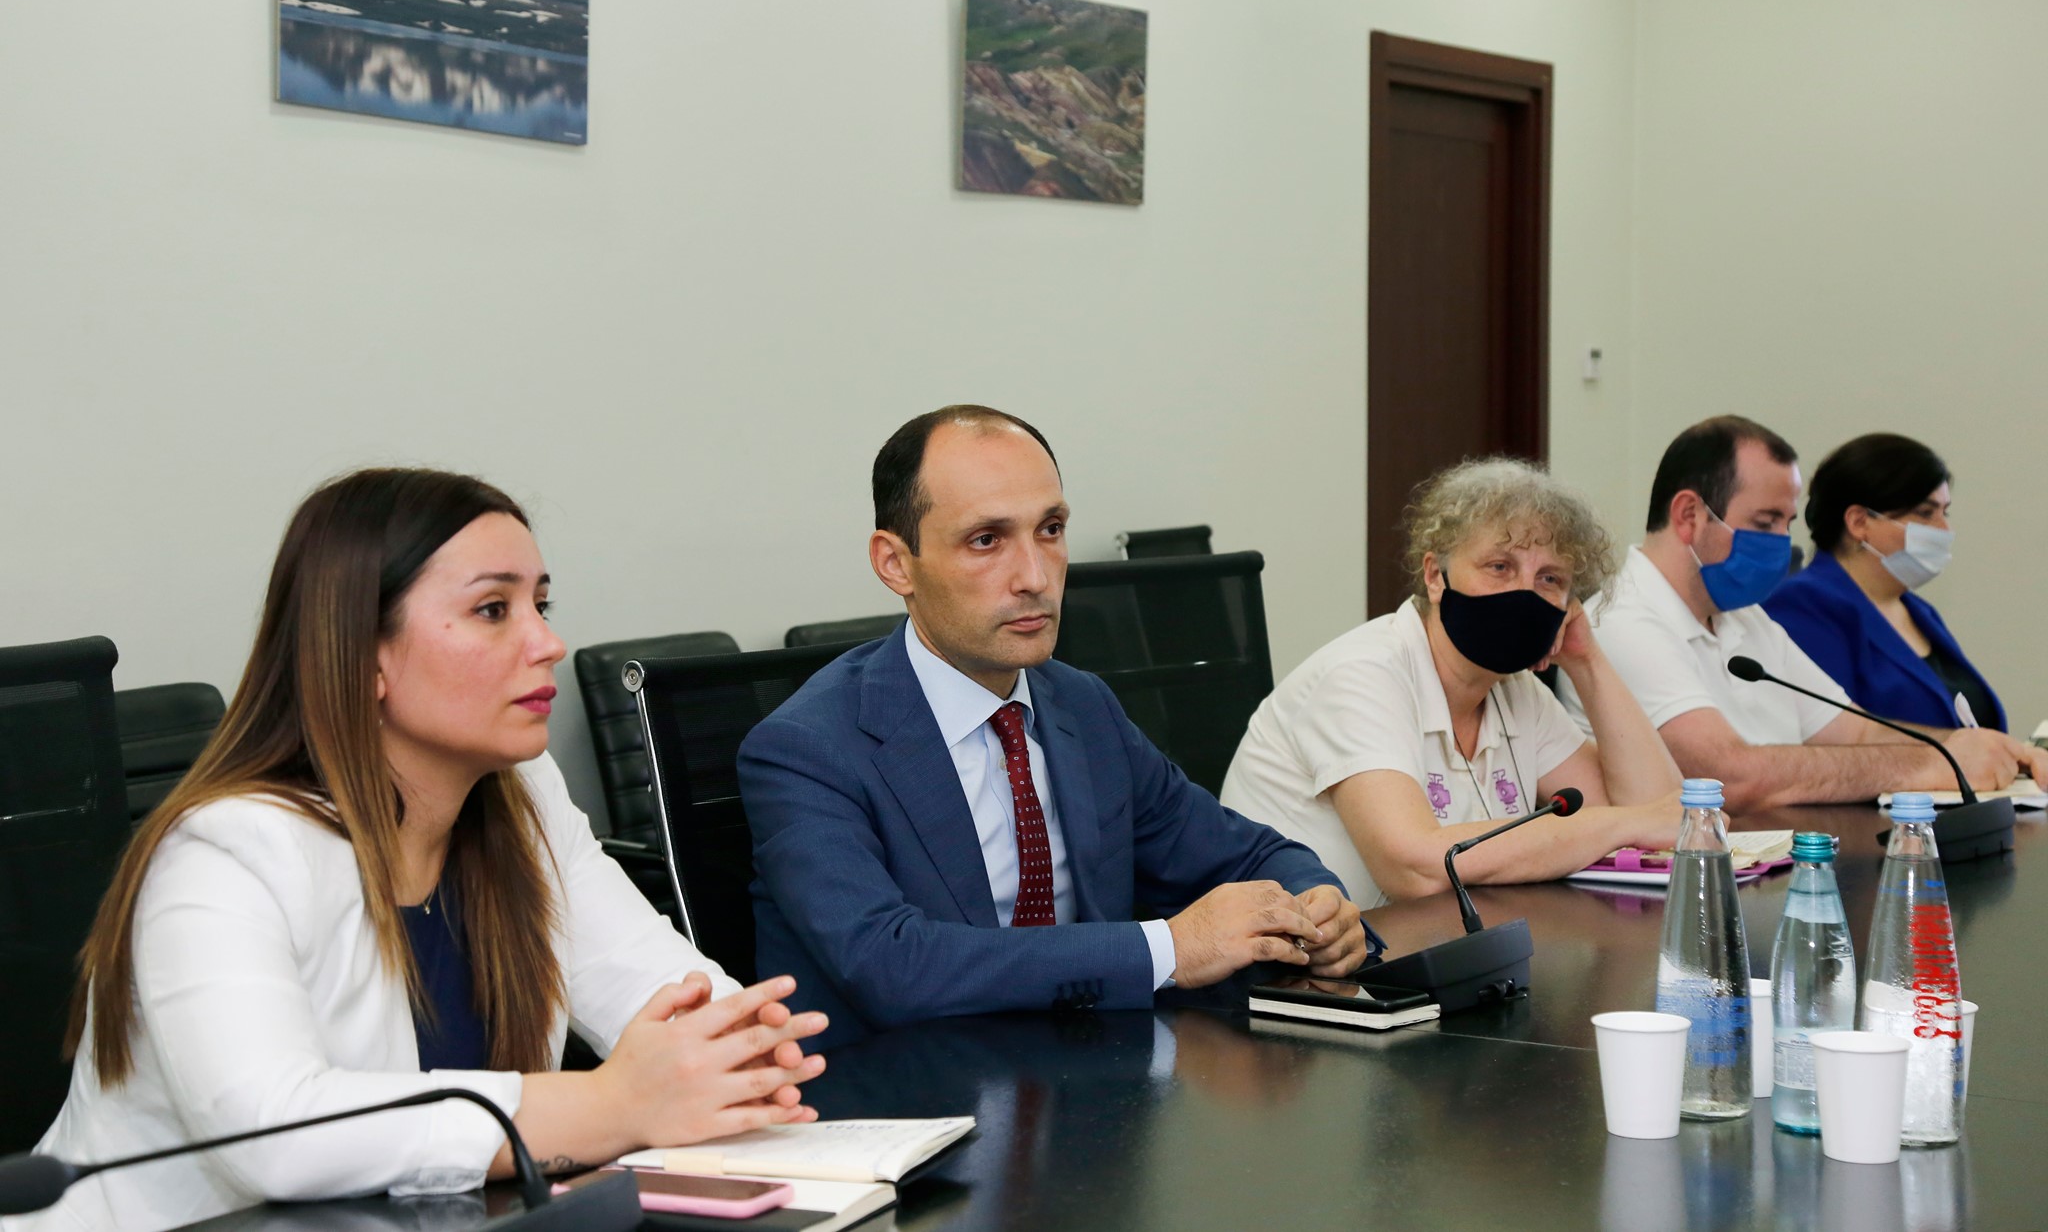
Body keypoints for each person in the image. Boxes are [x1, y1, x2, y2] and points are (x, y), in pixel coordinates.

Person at [19, 470, 828, 1232]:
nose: (547, 641)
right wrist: (615, 1103)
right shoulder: (227, 851)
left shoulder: (524, 794)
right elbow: (276, 1132)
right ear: (363, 653)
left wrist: (742, 1057)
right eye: (493, 609)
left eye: (542, 603)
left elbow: (673, 997)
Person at [740, 406, 1377, 1041]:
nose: (1036, 576)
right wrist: (1169, 948)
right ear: (895, 563)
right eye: (986, 540)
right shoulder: (805, 749)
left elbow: (1249, 855)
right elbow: (889, 965)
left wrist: (1316, 910)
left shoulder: (1080, 705)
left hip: (1091, 1070)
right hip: (901, 1085)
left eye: (1050, 529)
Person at [1220, 458, 1682, 909]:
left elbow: (1662, 818)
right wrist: (1625, 824)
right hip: (1302, 956)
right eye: (1499, 567)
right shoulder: (1361, 675)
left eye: (1549, 578)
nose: (1524, 593)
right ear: (1435, 576)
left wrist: (1587, 661)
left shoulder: (1516, 691)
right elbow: (1415, 869)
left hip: (1449, 945)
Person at [1559, 416, 2043, 811]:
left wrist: (1969, 749)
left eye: (1787, 523)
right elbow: (1729, 776)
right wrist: (1932, 766)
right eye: (1765, 522)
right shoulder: (1621, 620)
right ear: (1689, 515)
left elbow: (1857, 731)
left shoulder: (1746, 618)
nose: (1782, 543)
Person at [1763, 434, 2005, 731]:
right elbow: (1830, 736)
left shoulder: (1919, 611)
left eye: (1945, 512)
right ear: (1859, 522)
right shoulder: (1803, 606)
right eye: (1925, 513)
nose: (1945, 529)